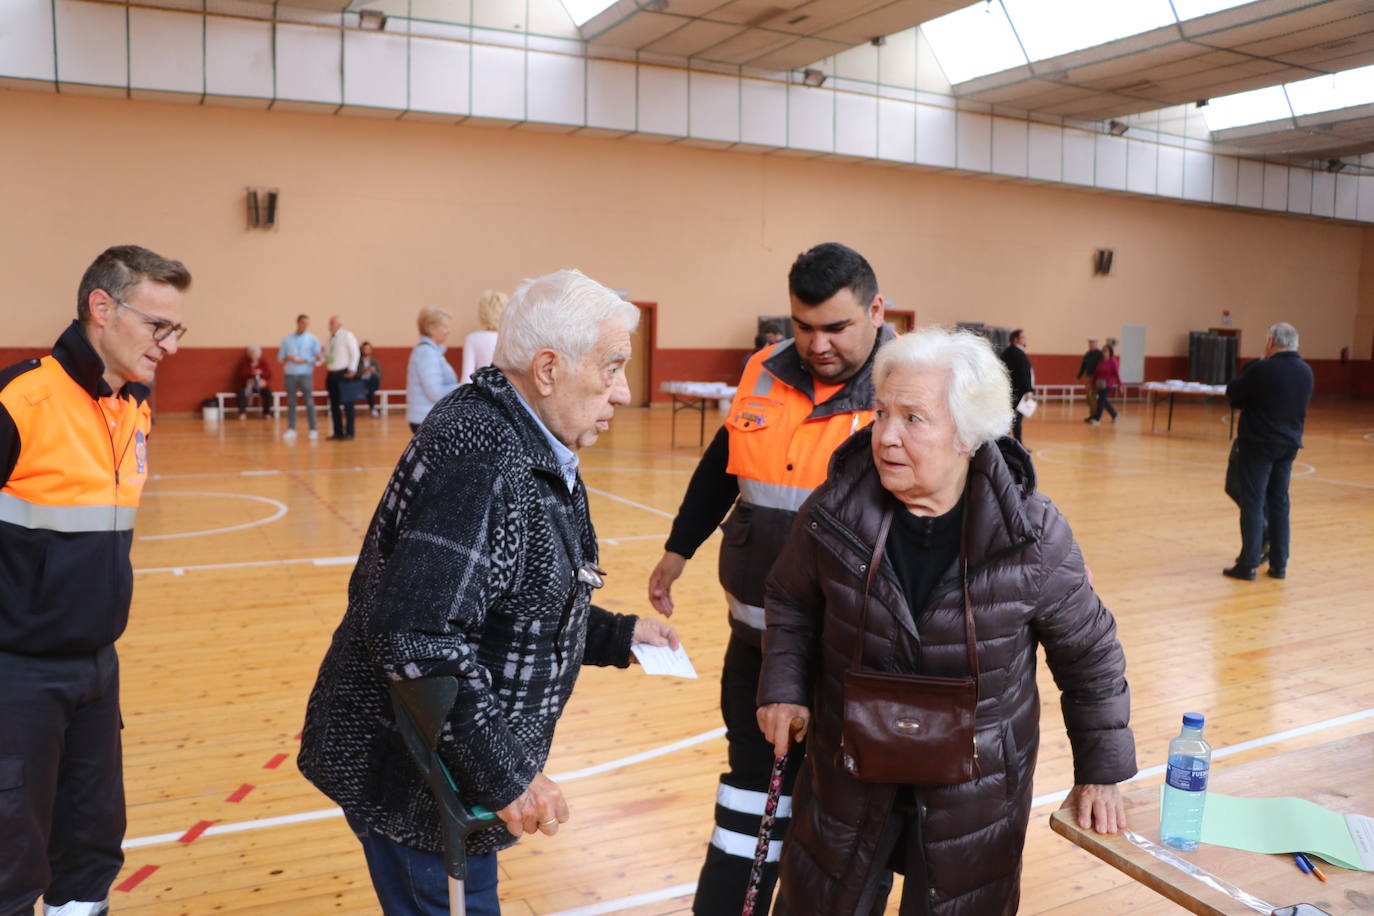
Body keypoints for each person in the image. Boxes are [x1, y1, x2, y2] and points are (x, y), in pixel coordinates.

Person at [298, 269, 679, 915]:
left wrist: (617, 635)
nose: (624, 391)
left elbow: (510, 600)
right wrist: (507, 777)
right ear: (550, 369)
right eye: (612, 367)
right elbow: (417, 635)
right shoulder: (486, 458)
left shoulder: (524, 437)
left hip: (443, 778)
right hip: (423, 788)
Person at [757, 328, 1136, 915]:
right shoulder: (833, 512)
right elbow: (790, 600)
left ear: (967, 434)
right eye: (881, 413)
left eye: (913, 418)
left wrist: (1101, 773)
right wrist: (782, 690)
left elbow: (1090, 655)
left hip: (977, 789)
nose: (885, 436)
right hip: (846, 769)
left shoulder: (1032, 536)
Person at [647, 242, 894, 915]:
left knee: (841, 817)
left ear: (877, 310)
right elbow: (723, 461)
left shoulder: (907, 392)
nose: (816, 345)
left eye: (836, 328)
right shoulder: (762, 369)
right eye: (803, 326)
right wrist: (679, 547)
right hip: (754, 641)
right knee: (749, 792)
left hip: (850, 655)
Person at [0, 245, 190, 916]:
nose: (168, 345)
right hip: (17, 676)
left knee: (90, 848)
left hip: (97, 671)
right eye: (157, 325)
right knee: (11, 858)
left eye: (177, 330)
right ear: (101, 308)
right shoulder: (21, 399)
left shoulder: (132, 407)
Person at [1222, 322, 1312, 581]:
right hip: (1289, 445)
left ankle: (1249, 563)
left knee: (1253, 502)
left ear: (1271, 341)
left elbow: (1234, 395)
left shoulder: (1262, 369)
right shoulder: (1306, 371)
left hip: (1259, 445)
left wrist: (1253, 365)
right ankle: (1279, 563)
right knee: (1279, 503)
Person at [407, 306, 460, 434]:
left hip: (427, 418)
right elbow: (435, 392)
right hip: (426, 419)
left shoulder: (430, 351)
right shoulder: (426, 353)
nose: (448, 331)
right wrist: (463, 387)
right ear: (431, 329)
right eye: (444, 326)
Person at [278, 313, 322, 440]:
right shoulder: (287, 339)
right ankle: (291, 429)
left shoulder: (313, 339)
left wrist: (306, 360)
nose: (305, 326)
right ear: (297, 323)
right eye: (303, 323)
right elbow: (280, 357)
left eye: (307, 324)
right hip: (290, 374)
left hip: (305, 374)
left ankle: (313, 429)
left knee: (309, 401)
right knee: (291, 402)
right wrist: (288, 358)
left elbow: (318, 357)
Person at [324, 314, 361, 441]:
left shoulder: (347, 336)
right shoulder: (329, 338)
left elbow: (355, 352)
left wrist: (352, 369)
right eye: (330, 323)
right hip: (332, 373)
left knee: (347, 404)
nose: (330, 326)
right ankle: (337, 432)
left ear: (339, 325)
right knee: (334, 405)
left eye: (332, 323)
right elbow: (327, 355)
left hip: (344, 373)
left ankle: (350, 432)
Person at [461, 290, 509, 384]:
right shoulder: (511, 337)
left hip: (482, 393)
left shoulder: (473, 338)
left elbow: (466, 379)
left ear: (483, 313)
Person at [999, 328, 1033, 444]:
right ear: (1015, 339)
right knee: (1016, 419)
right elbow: (1024, 372)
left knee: (1011, 418)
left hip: (1010, 390)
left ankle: (1009, 443)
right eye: (1023, 337)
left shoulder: (1007, 352)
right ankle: (1018, 445)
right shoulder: (1017, 353)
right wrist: (1028, 390)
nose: (1025, 339)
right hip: (1018, 391)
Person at [1087, 342, 1120, 425]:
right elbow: (1096, 373)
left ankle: (1097, 419)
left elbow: (1116, 373)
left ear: (1110, 352)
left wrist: (1120, 384)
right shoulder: (1101, 361)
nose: (1104, 352)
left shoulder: (1113, 361)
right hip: (1099, 384)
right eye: (1103, 351)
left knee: (1101, 401)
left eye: (1105, 351)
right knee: (1103, 400)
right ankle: (1114, 414)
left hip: (1107, 384)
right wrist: (1092, 382)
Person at [237, 345, 273, 419]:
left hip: (260, 385)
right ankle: (242, 413)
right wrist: (251, 373)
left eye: (256, 354)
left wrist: (261, 373)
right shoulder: (245, 363)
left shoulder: (263, 363)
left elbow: (269, 374)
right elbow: (241, 374)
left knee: (268, 392)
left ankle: (266, 413)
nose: (254, 356)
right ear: (249, 354)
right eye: (252, 354)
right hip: (249, 385)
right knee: (241, 392)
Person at [1076, 337, 1103, 420]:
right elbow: (1083, 366)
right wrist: (1079, 376)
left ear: (1096, 344)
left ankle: (1095, 416)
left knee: (1092, 397)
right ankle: (1092, 415)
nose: (1091, 344)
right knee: (1088, 397)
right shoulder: (1087, 354)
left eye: (1092, 343)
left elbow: (1102, 366)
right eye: (1090, 343)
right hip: (1088, 377)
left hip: (1096, 378)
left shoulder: (1099, 354)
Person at [358, 341, 384, 417]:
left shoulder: (374, 362)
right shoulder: (357, 361)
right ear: (361, 349)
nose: (366, 350)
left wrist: (373, 371)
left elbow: (380, 375)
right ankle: (373, 409)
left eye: (368, 349)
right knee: (370, 389)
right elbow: (354, 375)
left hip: (372, 382)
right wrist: (363, 372)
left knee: (373, 381)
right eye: (365, 348)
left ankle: (372, 408)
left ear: (371, 350)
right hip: (361, 382)